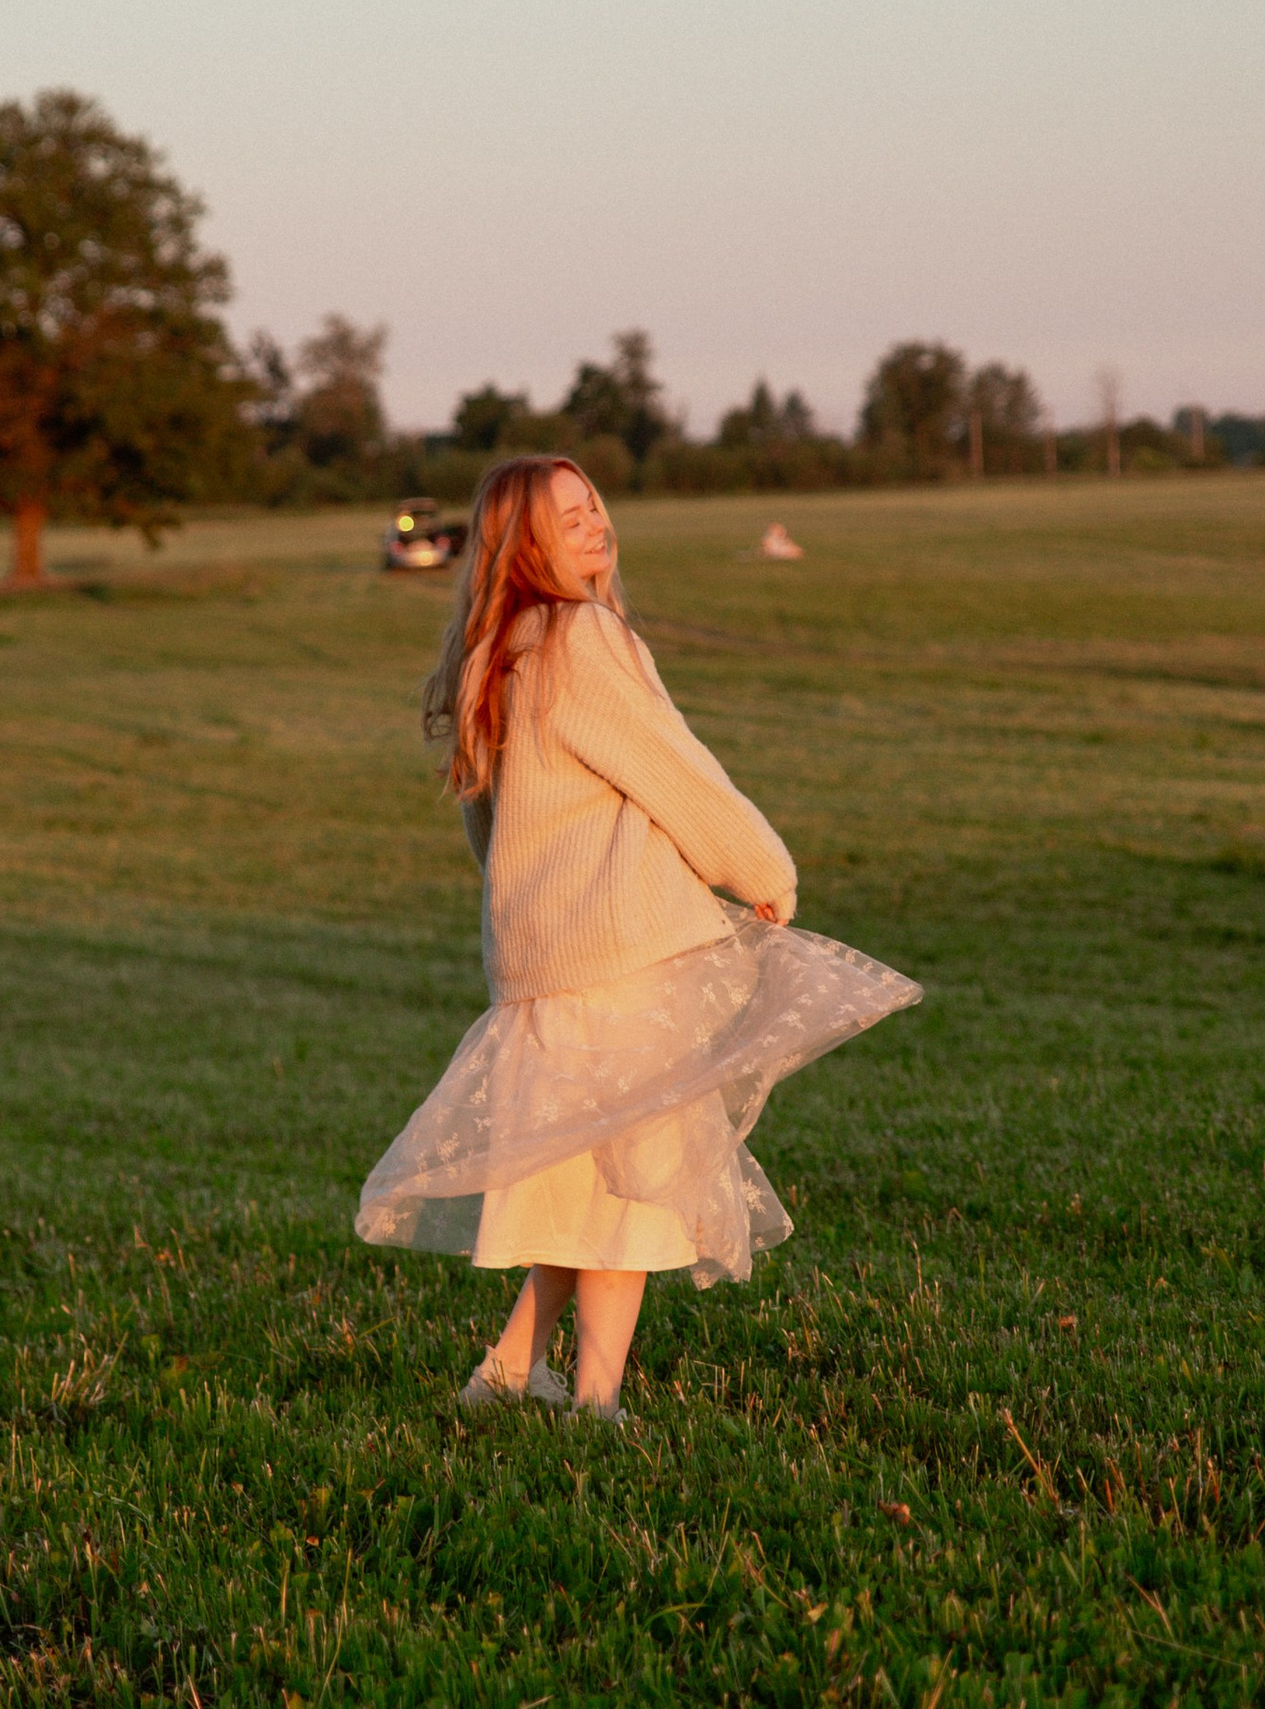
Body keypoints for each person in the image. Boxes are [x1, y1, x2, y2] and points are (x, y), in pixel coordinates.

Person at [356, 455, 918, 1416]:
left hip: (543, 961)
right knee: (630, 1188)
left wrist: (529, 905)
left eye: (594, 508)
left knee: (581, 1179)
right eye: (566, 518)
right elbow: (674, 769)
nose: (594, 526)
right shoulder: (583, 636)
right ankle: (598, 1406)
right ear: (524, 544)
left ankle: (503, 1373)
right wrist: (762, 869)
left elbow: (486, 828)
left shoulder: (501, 647)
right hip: (618, 954)